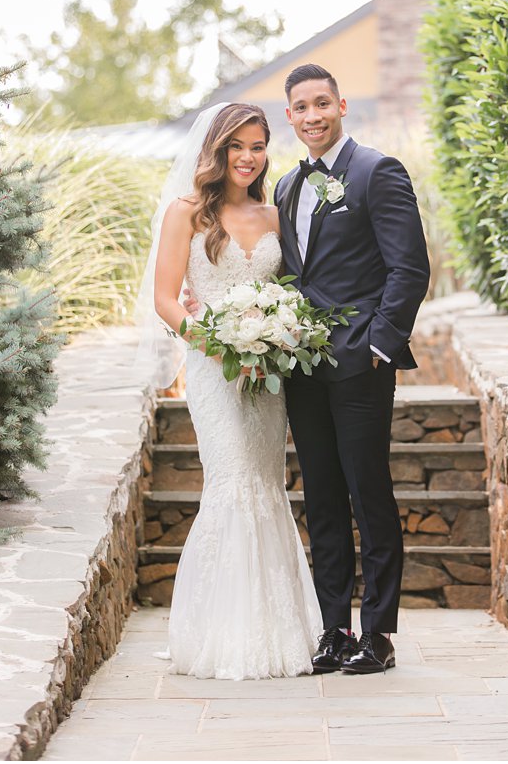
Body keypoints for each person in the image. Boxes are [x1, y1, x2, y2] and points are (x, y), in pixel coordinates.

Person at [139, 101, 322, 679]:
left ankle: (276, 631)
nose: (247, 157)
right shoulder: (185, 214)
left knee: (267, 483)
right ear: (214, 151)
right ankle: (220, 635)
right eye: (236, 146)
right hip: (215, 371)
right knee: (232, 481)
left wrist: (276, 336)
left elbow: (294, 291)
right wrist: (221, 345)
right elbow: (167, 299)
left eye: (258, 146)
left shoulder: (274, 217)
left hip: (267, 376)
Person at [272, 63, 428, 674]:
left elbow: (408, 267)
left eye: (321, 104)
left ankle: (379, 633)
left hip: (361, 360)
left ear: (341, 105)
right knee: (323, 498)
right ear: (290, 116)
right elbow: (295, 276)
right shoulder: (287, 186)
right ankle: (334, 627)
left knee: (369, 494)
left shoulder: (376, 171)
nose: (312, 116)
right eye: (300, 108)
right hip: (303, 368)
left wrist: (380, 345)